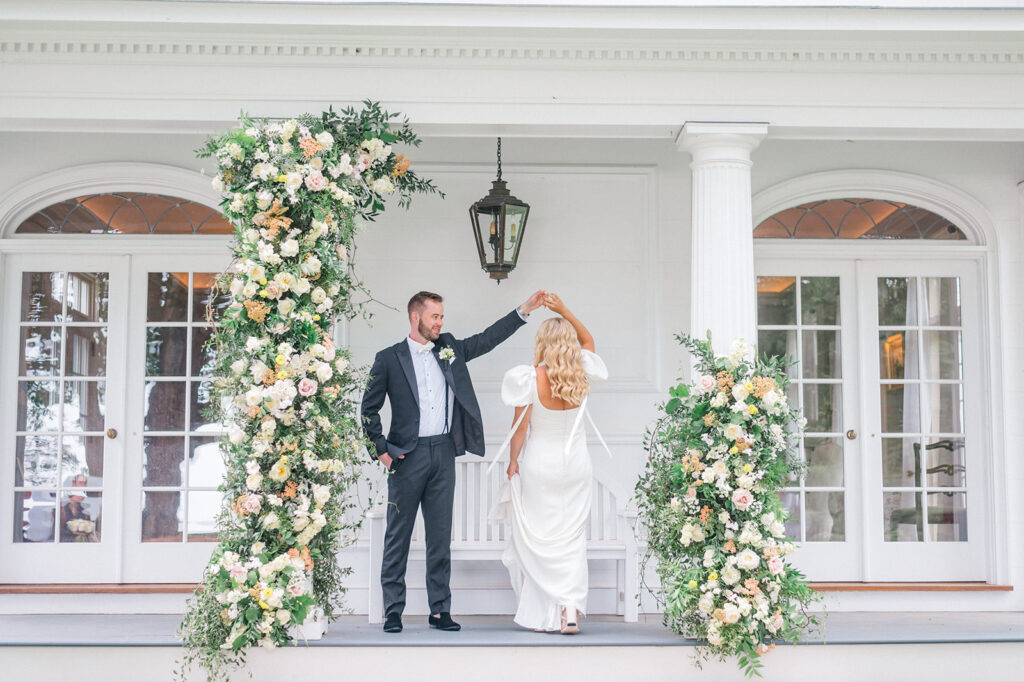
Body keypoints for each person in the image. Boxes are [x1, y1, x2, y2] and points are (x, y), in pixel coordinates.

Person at [361, 289, 546, 634]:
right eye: (435, 317)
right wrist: (382, 450)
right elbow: (367, 408)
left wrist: (523, 311)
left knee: (439, 536)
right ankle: (393, 611)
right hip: (406, 457)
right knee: (397, 535)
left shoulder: (449, 349)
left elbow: (487, 340)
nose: (441, 322)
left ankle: (439, 610)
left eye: (442, 317)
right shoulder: (388, 359)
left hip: (444, 453)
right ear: (416, 317)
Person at [492, 293, 607, 634]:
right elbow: (588, 340)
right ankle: (568, 610)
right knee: (571, 538)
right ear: (569, 343)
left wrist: (513, 463)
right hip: (575, 465)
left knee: (542, 537)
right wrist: (565, 311)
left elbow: (521, 428)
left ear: (542, 342)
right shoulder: (582, 373)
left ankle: (545, 610)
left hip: (540, 464)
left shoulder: (529, 378)